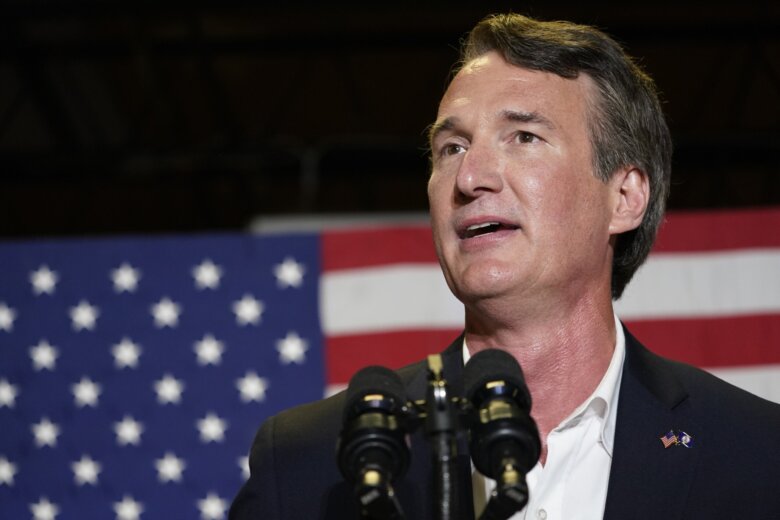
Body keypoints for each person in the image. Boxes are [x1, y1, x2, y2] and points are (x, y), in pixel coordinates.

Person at [230, 13, 780, 520]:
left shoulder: (755, 454)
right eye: (451, 148)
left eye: (523, 137)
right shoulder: (309, 464)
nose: (470, 178)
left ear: (624, 197)